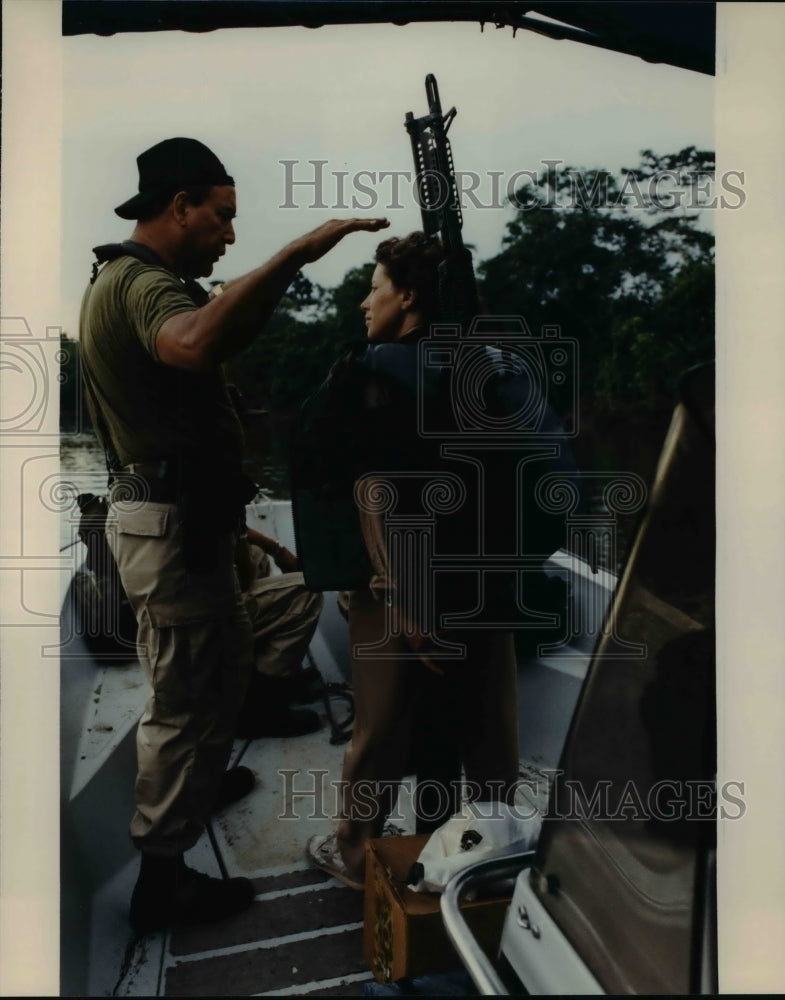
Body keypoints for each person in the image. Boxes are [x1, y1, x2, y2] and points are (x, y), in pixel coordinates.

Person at [78, 135, 388, 932]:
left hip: (185, 521)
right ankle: (162, 880)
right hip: (172, 528)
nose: (228, 234)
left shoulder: (128, 279)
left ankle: (201, 785)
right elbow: (193, 343)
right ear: (178, 206)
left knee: (215, 671)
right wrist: (298, 253)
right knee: (185, 700)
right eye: (220, 217)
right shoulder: (144, 284)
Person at [303, 233, 532, 890]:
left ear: (405, 297)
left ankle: (352, 853)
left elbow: (376, 489)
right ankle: (494, 851)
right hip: (484, 575)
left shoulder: (376, 372)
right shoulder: (484, 368)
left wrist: (402, 596)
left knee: (381, 726)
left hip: (405, 578)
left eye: (371, 290)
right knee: (491, 727)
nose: (361, 305)